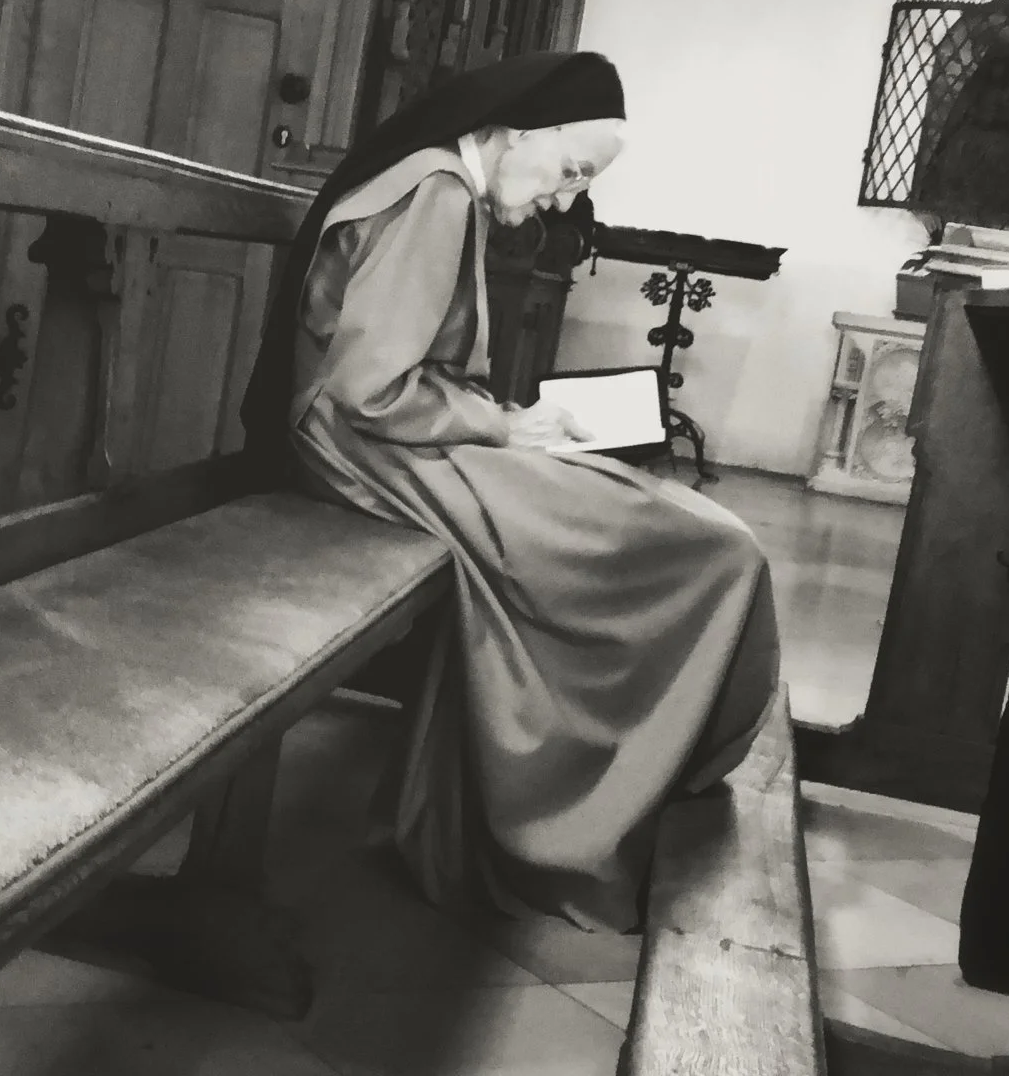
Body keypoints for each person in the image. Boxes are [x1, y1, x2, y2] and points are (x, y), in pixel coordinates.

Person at [241, 52, 781, 932]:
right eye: (572, 172)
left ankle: (612, 781)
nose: (569, 201)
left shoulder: (446, 184)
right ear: (520, 131)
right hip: (366, 448)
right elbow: (369, 390)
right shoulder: (439, 191)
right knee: (700, 547)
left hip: (392, 439)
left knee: (653, 520)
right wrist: (504, 428)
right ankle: (587, 807)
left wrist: (509, 422)